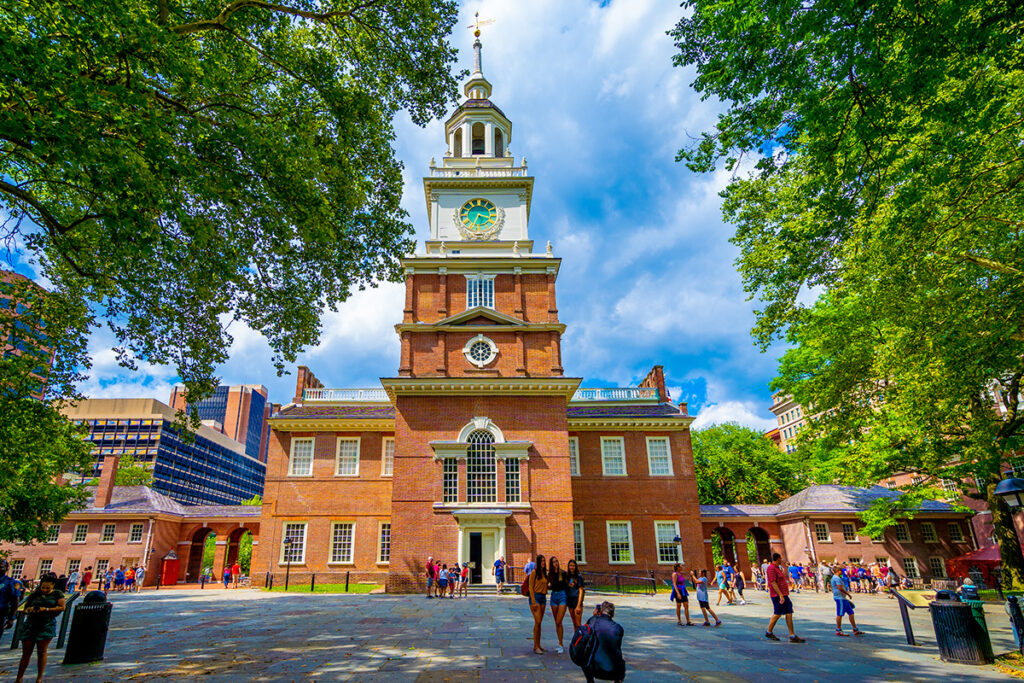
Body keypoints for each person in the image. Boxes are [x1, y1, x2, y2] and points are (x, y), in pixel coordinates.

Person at [15, 573, 65, 683]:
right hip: (31, 625)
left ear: (53, 586)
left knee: (42, 652)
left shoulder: (57, 594)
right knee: (26, 653)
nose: (45, 589)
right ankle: (19, 678)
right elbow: (25, 608)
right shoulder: (35, 594)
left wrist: (45, 609)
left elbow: (62, 607)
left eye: (48, 588)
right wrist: (30, 610)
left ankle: (39, 678)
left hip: (46, 625)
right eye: (43, 587)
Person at [580, 601, 625, 683]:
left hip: (595, 669)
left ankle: (590, 681)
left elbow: (583, 632)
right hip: (613, 671)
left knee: (585, 656)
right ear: (613, 614)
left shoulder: (593, 621)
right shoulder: (619, 628)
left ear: (600, 612)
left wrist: (594, 616)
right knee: (621, 661)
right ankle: (618, 681)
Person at [765, 553, 804, 643]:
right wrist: (780, 595)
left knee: (789, 612)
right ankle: (768, 632)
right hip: (778, 595)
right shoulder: (771, 568)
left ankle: (792, 635)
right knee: (777, 613)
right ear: (777, 559)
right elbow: (773, 582)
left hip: (784, 594)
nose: (781, 560)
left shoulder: (777, 568)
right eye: (780, 558)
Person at [831, 569, 865, 636]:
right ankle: (838, 630)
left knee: (851, 613)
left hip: (843, 598)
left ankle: (855, 629)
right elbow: (839, 588)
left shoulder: (836, 578)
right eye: (841, 571)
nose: (842, 572)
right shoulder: (836, 578)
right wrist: (848, 594)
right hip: (839, 598)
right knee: (840, 614)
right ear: (838, 571)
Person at [527, 554, 548, 654]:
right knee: (538, 621)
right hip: (535, 597)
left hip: (543, 598)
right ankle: (535, 647)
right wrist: (534, 601)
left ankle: (538, 645)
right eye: (541, 561)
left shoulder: (544, 574)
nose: (543, 563)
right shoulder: (534, 572)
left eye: (544, 561)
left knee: (539, 623)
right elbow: (530, 587)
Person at [547, 557, 569, 654]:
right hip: (553, 596)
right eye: (553, 562)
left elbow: (570, 583)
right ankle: (560, 644)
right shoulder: (550, 575)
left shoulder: (563, 573)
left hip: (562, 595)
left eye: (556, 561)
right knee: (557, 622)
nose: (555, 563)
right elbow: (549, 585)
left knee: (559, 620)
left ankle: (561, 644)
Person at [0, 560, 19, 643]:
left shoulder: (11, 582)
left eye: (1, 566)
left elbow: (15, 601)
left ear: (6, 568)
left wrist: (11, 618)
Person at [566, 559, 587, 631]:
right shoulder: (567, 576)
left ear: (576, 567)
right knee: (574, 623)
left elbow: (581, 591)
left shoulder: (579, 577)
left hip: (577, 601)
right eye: (570, 566)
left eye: (573, 566)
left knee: (578, 624)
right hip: (570, 601)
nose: (571, 567)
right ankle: (576, 639)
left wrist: (578, 605)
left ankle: (580, 639)